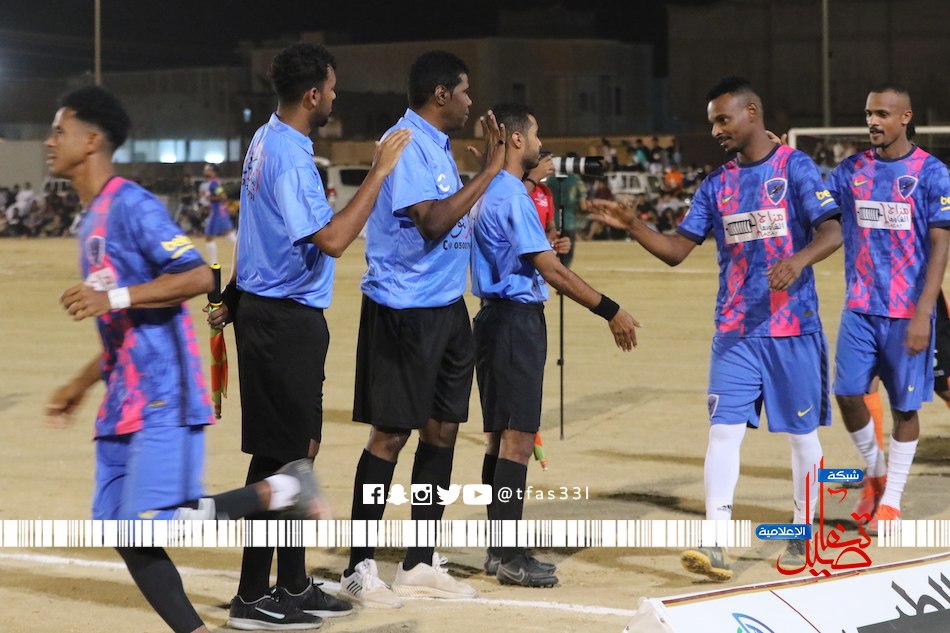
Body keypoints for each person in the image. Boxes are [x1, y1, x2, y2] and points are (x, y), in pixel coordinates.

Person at [43, 85, 325, 633]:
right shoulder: (91, 218)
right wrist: (81, 383)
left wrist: (113, 297)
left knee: (155, 522)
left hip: (162, 395)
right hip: (122, 398)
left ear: (92, 140)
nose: (50, 141)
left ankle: (283, 489)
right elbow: (123, 324)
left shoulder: (130, 204)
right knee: (125, 531)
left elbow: (199, 275)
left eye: (60, 130)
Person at [591, 76, 843, 581]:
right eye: (712, 122)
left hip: (792, 328)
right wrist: (635, 224)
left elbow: (833, 230)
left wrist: (798, 260)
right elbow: (676, 251)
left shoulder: (795, 167)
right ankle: (715, 542)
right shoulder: (716, 184)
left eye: (722, 120)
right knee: (723, 432)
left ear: (752, 112)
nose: (715, 131)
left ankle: (803, 529)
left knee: (800, 437)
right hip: (734, 332)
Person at [206, 43, 411, 629]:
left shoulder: (267, 139)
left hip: (277, 313)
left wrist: (234, 296)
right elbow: (334, 240)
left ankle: (292, 583)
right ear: (313, 94)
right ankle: (251, 597)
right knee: (280, 460)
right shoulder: (290, 157)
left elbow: (260, 232)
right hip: (282, 321)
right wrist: (378, 171)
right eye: (333, 88)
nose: (336, 97)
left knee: (297, 452)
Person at [341, 50, 506, 607]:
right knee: (390, 436)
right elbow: (434, 222)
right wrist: (490, 171)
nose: (470, 101)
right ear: (440, 94)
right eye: (464, 91)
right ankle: (359, 567)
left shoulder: (436, 145)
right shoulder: (407, 142)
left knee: (443, 432)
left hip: (445, 308)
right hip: (404, 309)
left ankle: (418, 562)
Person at [471, 102, 640, 587]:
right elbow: (553, 272)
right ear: (516, 140)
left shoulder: (489, 189)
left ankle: (499, 550)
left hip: (493, 320)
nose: (541, 144)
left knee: (499, 439)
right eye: (536, 134)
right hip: (515, 323)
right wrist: (611, 310)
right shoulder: (510, 194)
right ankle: (510, 556)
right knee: (518, 442)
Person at [827, 83, 950, 535]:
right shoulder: (850, 170)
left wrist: (922, 314)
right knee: (846, 393)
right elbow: (815, 208)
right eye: (868, 114)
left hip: (906, 311)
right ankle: (876, 474)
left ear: (905, 117)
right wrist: (782, 160)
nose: (873, 122)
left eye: (881, 114)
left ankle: (891, 503)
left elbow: (941, 247)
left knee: (905, 408)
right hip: (860, 306)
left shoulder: (933, 173)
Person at [541, 155, 587, 268]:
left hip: (552, 222)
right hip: (569, 222)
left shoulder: (550, 180)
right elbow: (583, 205)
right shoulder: (576, 180)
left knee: (550, 251)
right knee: (567, 253)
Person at [523, 152, 570, 253]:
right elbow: (513, 201)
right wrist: (534, 176)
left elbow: (550, 228)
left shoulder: (544, 190)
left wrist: (555, 241)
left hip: (537, 255)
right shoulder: (510, 185)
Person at [201, 163, 236, 266]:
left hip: (217, 213)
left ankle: (213, 263)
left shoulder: (214, 183)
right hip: (220, 212)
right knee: (229, 234)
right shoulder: (214, 182)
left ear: (213, 172)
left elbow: (223, 196)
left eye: (207, 169)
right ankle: (247, 252)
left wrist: (208, 198)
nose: (205, 171)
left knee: (209, 237)